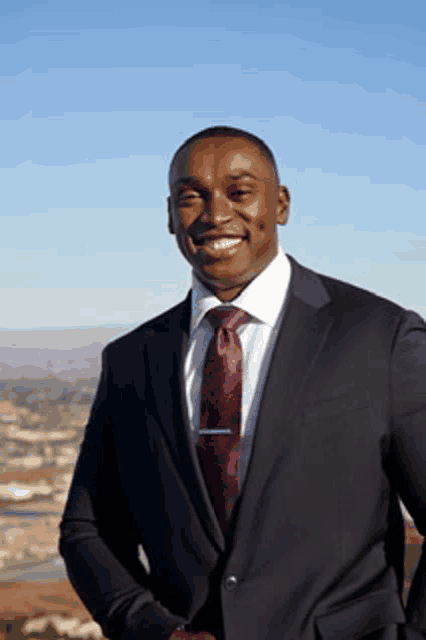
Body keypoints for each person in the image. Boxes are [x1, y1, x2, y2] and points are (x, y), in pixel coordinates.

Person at [59, 126, 426, 640]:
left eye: (239, 192)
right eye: (192, 198)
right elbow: (89, 530)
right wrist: (153, 631)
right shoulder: (131, 360)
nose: (214, 215)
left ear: (280, 204)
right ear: (169, 217)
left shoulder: (380, 336)